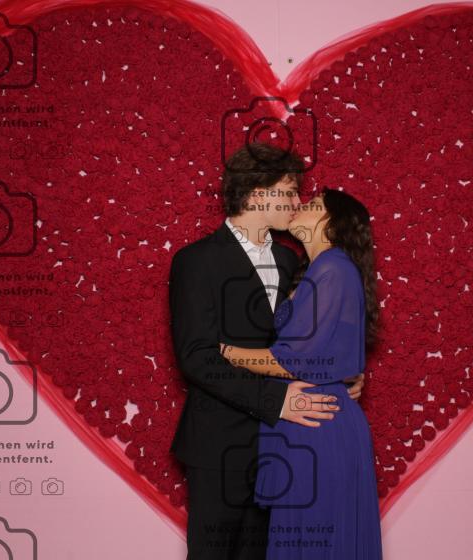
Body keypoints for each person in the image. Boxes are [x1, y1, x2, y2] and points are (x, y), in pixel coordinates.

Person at [168, 143, 365, 559]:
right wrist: (277, 401)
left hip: (281, 447)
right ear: (259, 192)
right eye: (290, 192)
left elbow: (311, 338)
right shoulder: (196, 261)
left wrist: (340, 373)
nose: (296, 202)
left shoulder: (293, 261)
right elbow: (197, 357)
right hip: (220, 444)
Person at [218, 187, 383, 560]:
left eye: (312, 204)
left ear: (332, 222)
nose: (299, 205)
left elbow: (294, 360)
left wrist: (221, 352)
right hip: (304, 416)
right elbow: (334, 348)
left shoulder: (332, 268)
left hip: (316, 426)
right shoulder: (314, 269)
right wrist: (345, 374)